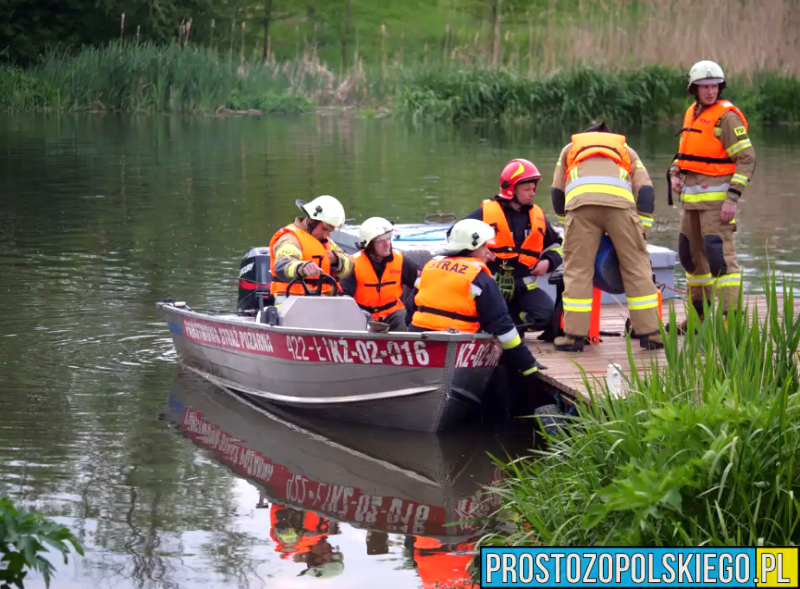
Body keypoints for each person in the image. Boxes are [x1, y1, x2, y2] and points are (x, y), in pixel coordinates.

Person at [550, 121, 662, 352]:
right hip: (621, 209)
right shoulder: (625, 150)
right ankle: (650, 334)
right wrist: (643, 232)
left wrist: (567, 225)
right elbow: (646, 192)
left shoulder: (570, 149)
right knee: (636, 268)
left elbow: (557, 193)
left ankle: (574, 336)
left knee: (578, 270)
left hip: (581, 208)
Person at [668, 60, 756, 331]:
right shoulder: (691, 113)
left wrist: (732, 199)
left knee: (720, 260)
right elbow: (683, 153)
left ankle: (732, 323)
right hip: (691, 203)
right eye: (704, 87)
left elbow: (746, 158)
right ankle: (699, 318)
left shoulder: (726, 117)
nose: (710, 91)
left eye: (714, 86)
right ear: (694, 89)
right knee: (690, 258)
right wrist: (673, 173)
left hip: (717, 204)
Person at [410, 218, 546, 378]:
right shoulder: (479, 277)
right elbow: (502, 326)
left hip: (419, 341)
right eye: (484, 246)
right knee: (502, 372)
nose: (487, 251)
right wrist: (528, 366)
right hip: (459, 347)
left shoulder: (429, 267)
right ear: (473, 248)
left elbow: (411, 308)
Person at [461, 159, 563, 339]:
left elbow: (558, 246)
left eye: (533, 189)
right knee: (486, 315)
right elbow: (455, 235)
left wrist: (548, 262)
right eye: (527, 189)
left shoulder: (537, 216)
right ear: (511, 189)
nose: (532, 194)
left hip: (525, 287)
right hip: (493, 286)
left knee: (546, 316)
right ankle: (505, 324)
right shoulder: (485, 213)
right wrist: (479, 250)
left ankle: (514, 322)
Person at [340, 216, 420, 331]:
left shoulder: (400, 260)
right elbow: (344, 297)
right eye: (381, 240)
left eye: (388, 238)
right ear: (369, 244)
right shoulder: (353, 264)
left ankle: (402, 347)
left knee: (403, 316)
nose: (387, 243)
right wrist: (358, 313)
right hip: (363, 316)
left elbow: (421, 282)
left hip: (393, 315)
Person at [269, 195, 354, 300]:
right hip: (291, 303)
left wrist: (336, 260)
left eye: (329, 231)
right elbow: (282, 265)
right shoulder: (290, 239)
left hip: (324, 302)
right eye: (324, 229)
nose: (325, 235)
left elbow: (349, 265)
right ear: (312, 220)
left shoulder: (325, 241)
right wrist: (302, 267)